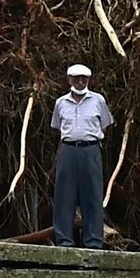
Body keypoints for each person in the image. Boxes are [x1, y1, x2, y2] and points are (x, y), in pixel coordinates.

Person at [50, 62, 112, 249]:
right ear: (69, 79)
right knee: (64, 195)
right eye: (77, 78)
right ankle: (64, 240)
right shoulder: (61, 103)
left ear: (88, 80)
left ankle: (94, 241)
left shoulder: (98, 100)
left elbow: (105, 125)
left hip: (91, 150)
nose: (80, 82)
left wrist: (88, 140)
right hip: (68, 150)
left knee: (92, 195)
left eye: (84, 79)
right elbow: (58, 127)